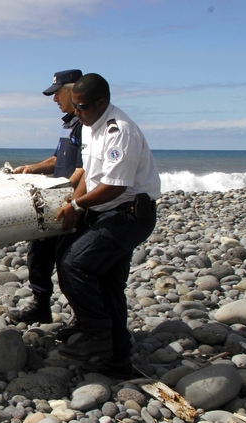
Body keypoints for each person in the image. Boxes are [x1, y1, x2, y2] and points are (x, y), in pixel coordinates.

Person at [55, 74, 160, 377]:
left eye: (82, 107)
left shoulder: (120, 132)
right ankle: (117, 358)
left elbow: (114, 186)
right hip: (106, 212)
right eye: (74, 106)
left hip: (128, 215)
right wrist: (76, 204)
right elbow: (90, 171)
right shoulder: (90, 125)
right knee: (106, 282)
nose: (76, 113)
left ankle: (96, 335)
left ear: (102, 102)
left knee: (76, 264)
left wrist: (76, 205)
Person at [9, 69, 85, 324]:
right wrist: (29, 169)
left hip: (73, 203)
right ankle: (41, 304)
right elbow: (56, 160)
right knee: (38, 254)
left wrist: (70, 201)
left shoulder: (86, 125)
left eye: (57, 93)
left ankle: (81, 317)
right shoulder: (68, 125)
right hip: (57, 200)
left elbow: (84, 170)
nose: (54, 100)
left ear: (73, 91)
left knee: (69, 263)